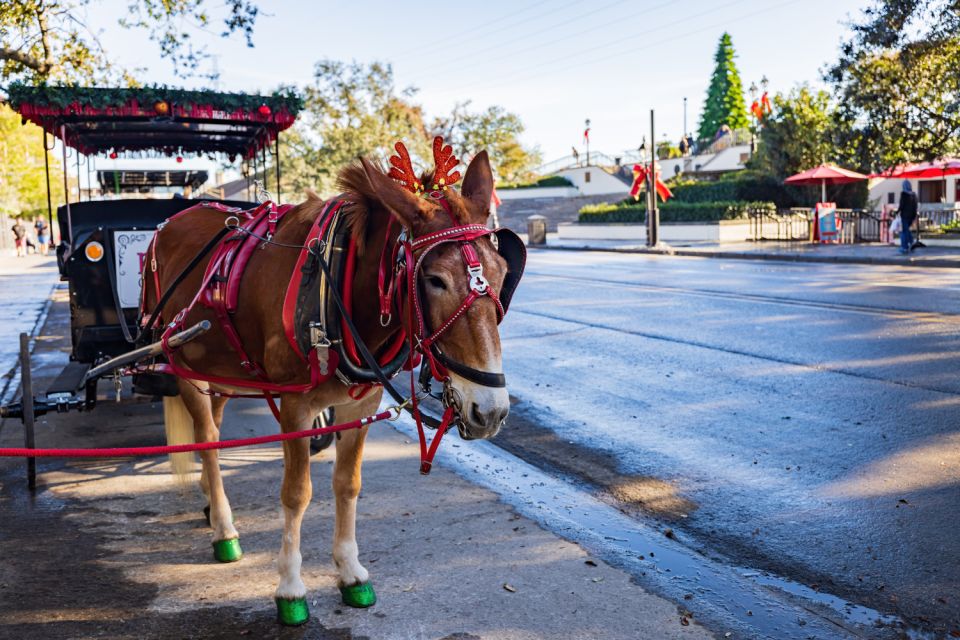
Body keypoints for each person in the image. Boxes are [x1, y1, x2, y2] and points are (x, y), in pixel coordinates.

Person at [896, 180, 918, 254]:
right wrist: (914, 215)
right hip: (911, 216)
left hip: (905, 216)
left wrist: (896, 212)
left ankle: (906, 245)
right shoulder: (914, 194)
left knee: (905, 232)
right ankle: (908, 245)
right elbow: (915, 206)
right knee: (905, 231)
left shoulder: (904, 194)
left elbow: (901, 205)